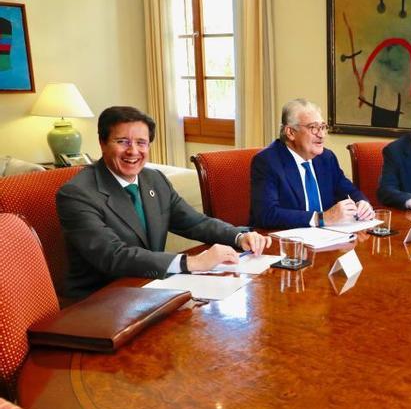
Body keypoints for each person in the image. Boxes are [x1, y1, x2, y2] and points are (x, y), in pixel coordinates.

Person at [57, 106, 270, 298]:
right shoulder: (77, 194)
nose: (133, 151)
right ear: (102, 143)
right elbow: (114, 256)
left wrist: (239, 236)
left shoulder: (154, 179)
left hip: (152, 288)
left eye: (141, 143)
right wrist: (191, 262)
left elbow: (195, 223)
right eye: (122, 142)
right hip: (101, 298)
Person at [250, 99, 374, 228]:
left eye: (323, 127)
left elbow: (349, 191)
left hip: (329, 238)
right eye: (313, 128)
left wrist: (362, 203)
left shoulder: (326, 158)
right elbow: (266, 214)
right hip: (288, 242)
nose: (321, 135)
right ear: (291, 132)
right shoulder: (267, 162)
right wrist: (320, 218)